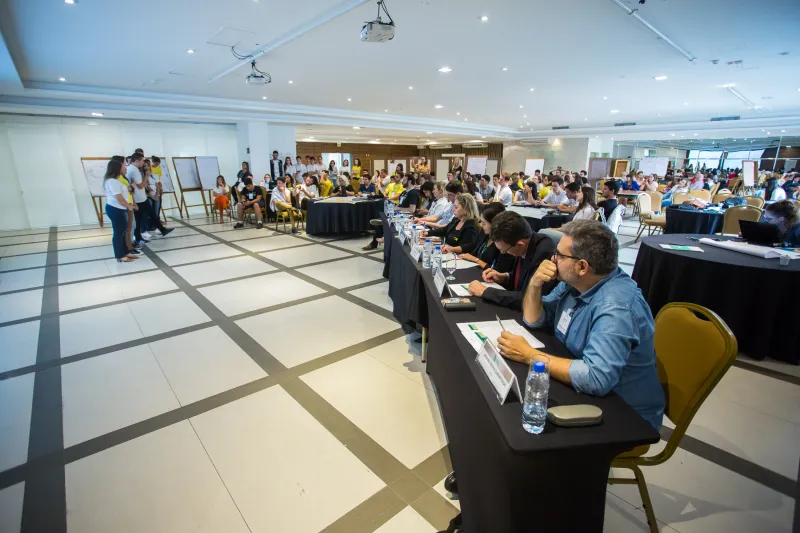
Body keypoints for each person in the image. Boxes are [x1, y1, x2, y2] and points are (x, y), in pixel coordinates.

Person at [496, 219, 665, 430]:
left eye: (559, 255)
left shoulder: (615, 307)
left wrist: (529, 355)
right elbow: (535, 319)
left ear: (582, 266)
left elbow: (596, 378)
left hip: (623, 414)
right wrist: (535, 283)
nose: (553, 259)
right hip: (582, 384)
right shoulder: (576, 283)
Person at [468, 211, 556, 309]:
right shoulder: (523, 243)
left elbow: (529, 298)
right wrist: (504, 277)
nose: (503, 254)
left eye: (504, 251)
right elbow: (522, 276)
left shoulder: (544, 253)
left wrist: (485, 291)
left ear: (520, 244)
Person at [458, 203, 515, 272]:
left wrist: (477, 260)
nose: (481, 225)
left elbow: (499, 271)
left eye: (484, 223)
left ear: (494, 224)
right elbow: (474, 252)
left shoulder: (503, 243)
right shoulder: (486, 234)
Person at [103, 160, 138, 262]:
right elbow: (119, 197)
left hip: (121, 209)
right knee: (118, 233)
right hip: (116, 209)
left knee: (123, 231)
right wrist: (128, 206)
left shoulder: (116, 180)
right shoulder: (112, 181)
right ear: (117, 169)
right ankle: (120, 255)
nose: (125, 168)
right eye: (123, 166)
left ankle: (125, 252)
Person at [127, 153, 150, 246]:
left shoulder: (133, 169)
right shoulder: (134, 170)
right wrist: (147, 176)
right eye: (142, 160)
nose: (143, 162)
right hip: (138, 199)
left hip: (139, 198)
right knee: (137, 220)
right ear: (137, 161)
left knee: (139, 220)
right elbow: (140, 186)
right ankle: (137, 238)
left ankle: (138, 237)